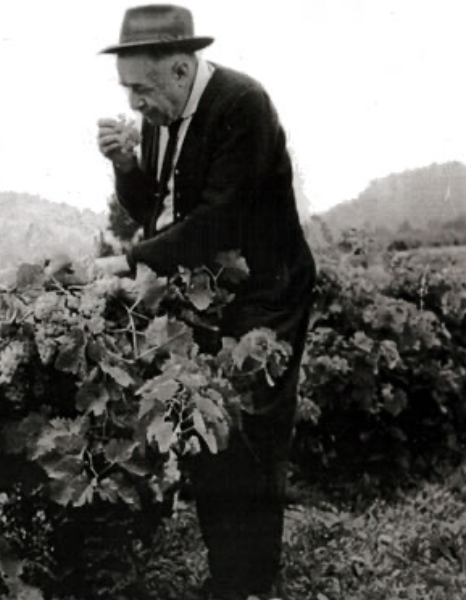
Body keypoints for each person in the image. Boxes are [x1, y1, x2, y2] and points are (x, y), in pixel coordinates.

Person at [95, 5, 316, 599]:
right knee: (212, 428)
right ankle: (231, 576)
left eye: (142, 89)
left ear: (181, 68)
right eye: (128, 92)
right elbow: (155, 208)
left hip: (268, 292)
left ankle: (249, 581)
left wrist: (132, 262)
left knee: (252, 433)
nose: (135, 104)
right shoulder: (161, 117)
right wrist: (124, 166)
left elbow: (220, 216)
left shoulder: (242, 104)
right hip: (211, 294)